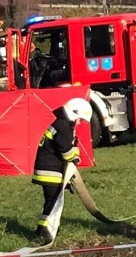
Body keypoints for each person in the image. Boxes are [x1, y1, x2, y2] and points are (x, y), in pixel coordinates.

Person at [32, 97, 93, 244]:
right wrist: (76, 157)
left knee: (52, 201)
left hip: (48, 168)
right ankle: (45, 232)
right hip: (51, 171)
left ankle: (43, 229)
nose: (79, 123)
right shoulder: (63, 126)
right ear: (74, 113)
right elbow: (66, 152)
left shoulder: (60, 124)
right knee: (53, 202)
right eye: (80, 119)